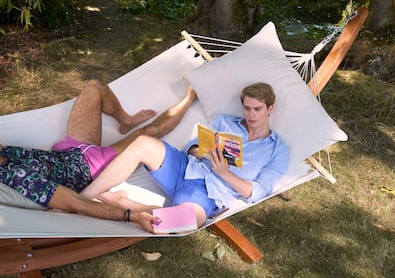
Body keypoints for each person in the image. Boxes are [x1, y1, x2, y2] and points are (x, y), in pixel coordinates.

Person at [80, 82, 290, 233]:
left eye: (258, 109)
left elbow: (258, 192)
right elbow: (191, 146)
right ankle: (82, 198)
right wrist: (203, 151)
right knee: (143, 142)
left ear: (270, 109)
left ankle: (121, 202)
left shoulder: (277, 150)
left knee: (184, 222)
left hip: (208, 193)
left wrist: (224, 173)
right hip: (185, 167)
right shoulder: (226, 122)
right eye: (247, 108)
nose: (251, 115)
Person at [0, 79, 197, 229]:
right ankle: (190, 99)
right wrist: (130, 216)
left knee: (95, 87)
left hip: (69, 149)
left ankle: (125, 120)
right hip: (91, 168)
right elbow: (77, 203)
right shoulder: (20, 180)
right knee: (149, 134)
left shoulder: (3, 152)